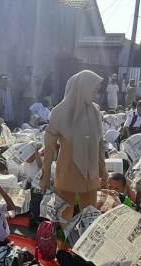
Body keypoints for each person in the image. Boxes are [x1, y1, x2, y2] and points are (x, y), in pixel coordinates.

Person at [41, 70, 108, 221]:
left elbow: (99, 143)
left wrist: (103, 170)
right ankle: (63, 245)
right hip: (67, 173)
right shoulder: (59, 112)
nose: (96, 95)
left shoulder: (95, 111)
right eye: (94, 91)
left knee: (90, 216)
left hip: (90, 174)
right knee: (64, 217)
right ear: (83, 88)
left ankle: (86, 244)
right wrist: (45, 176)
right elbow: (49, 148)